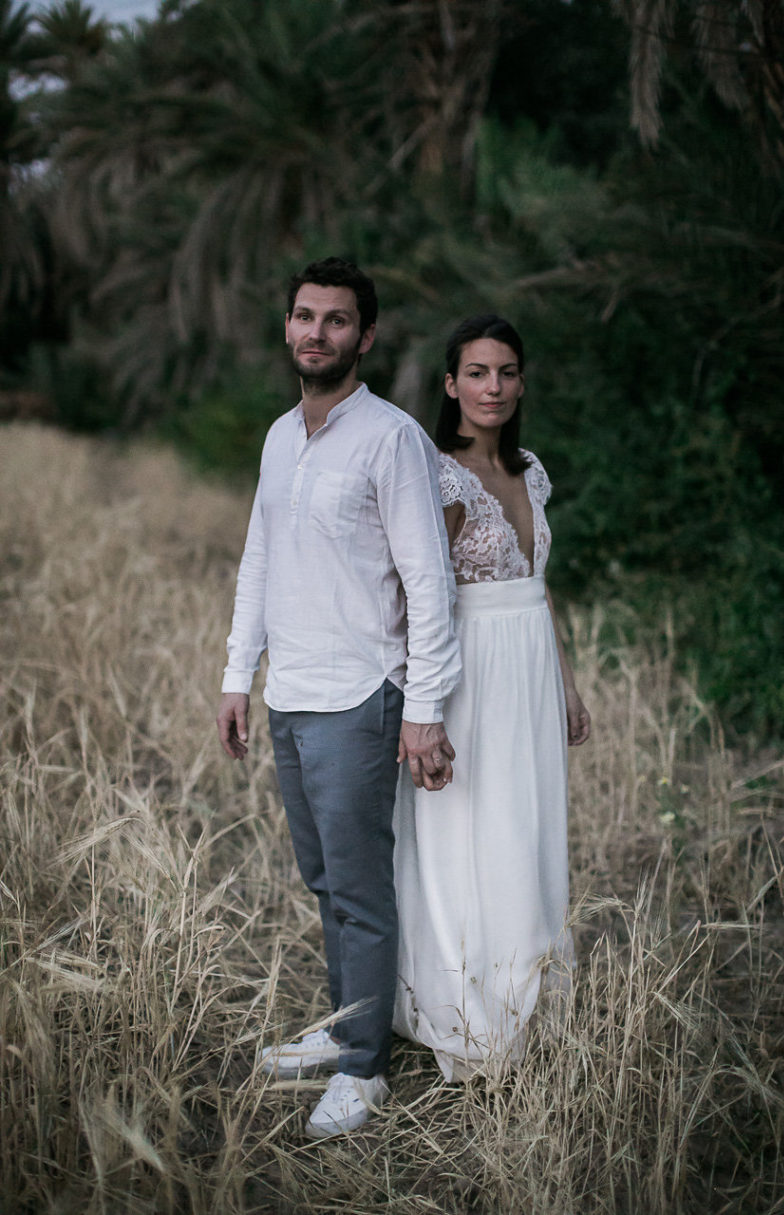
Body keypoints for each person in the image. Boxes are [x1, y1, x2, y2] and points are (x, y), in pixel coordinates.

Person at [216, 257, 461, 1138]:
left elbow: (429, 583)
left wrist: (424, 706)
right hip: (292, 692)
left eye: (336, 319)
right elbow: (259, 562)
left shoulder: (391, 437)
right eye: (304, 316)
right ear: (287, 326)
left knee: (358, 889)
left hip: (363, 694)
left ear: (366, 334)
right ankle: (349, 1026)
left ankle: (365, 1070)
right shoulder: (282, 435)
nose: (316, 332)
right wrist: (237, 676)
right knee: (324, 878)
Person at [392, 314, 590, 1082]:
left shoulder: (531, 469)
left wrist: (567, 684)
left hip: (530, 668)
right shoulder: (439, 476)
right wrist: (424, 705)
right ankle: (469, 1004)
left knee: (530, 819)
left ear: (521, 381)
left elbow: (539, 588)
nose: (493, 387)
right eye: (477, 372)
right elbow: (419, 597)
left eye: (506, 372)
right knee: (470, 825)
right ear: (451, 384)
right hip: (467, 668)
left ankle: (532, 988)